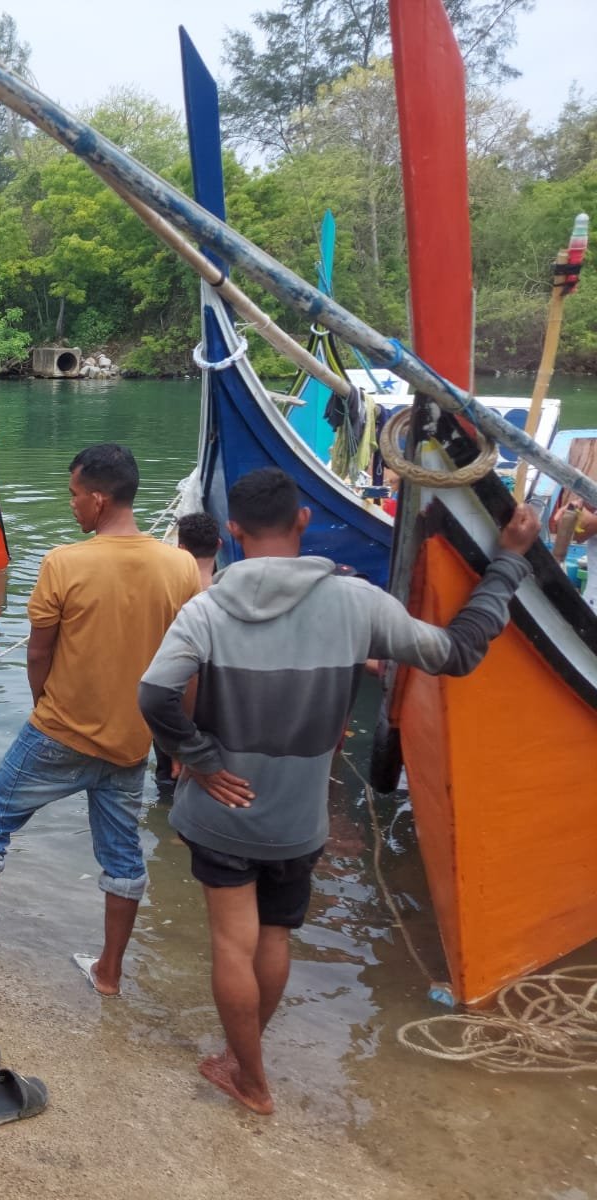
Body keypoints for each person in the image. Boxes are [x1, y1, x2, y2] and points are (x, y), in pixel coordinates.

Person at [138, 467, 538, 1116]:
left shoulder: (204, 611)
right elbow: (458, 652)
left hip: (222, 813)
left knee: (233, 944)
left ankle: (250, 1077)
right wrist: (508, 563)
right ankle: (244, 1064)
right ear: (302, 521)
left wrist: (200, 759)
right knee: (274, 938)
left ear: (233, 530)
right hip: (299, 821)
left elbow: (155, 695)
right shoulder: (357, 604)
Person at [0, 444, 200, 995]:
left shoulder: (65, 562)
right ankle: (108, 972)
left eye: (74, 494)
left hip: (59, 731)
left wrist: (44, 708)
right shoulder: (180, 565)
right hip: (130, 743)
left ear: (98, 499)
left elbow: (38, 653)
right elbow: (187, 666)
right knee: (123, 855)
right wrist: (179, 743)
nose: (71, 504)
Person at [155, 512, 222, 792]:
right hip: (219, 712)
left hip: (172, 713)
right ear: (219, 544)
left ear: (180, 548)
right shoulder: (228, 598)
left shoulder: (170, 599)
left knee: (169, 785)